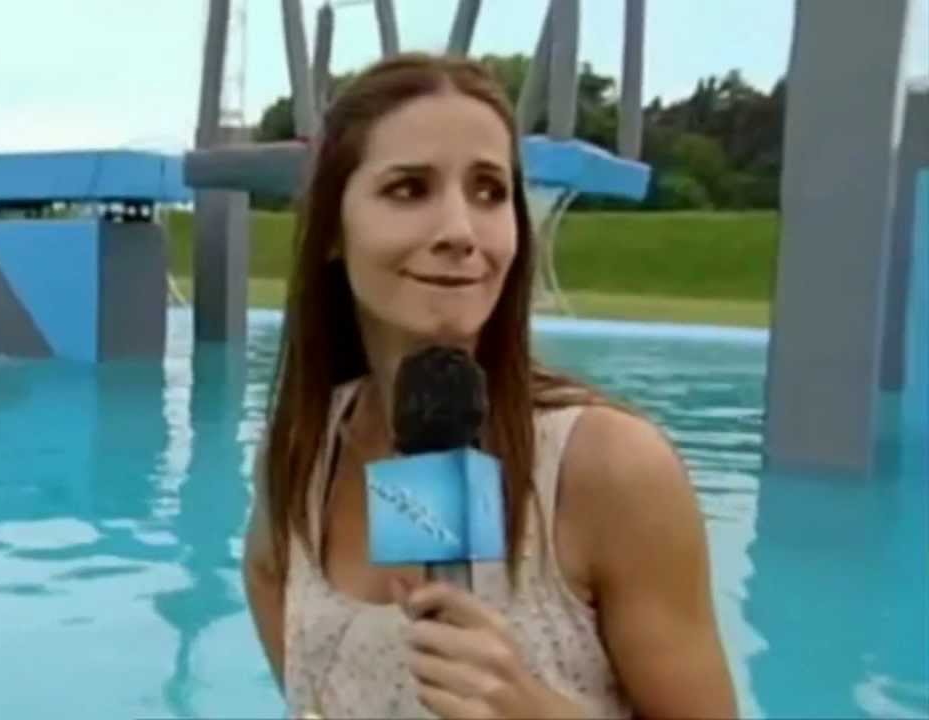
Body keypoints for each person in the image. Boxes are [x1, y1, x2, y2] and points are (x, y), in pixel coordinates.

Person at [241, 53, 738, 719]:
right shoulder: (304, 451)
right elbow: (269, 585)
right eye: (409, 189)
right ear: (333, 227)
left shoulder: (610, 469)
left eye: (489, 192)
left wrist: (532, 710)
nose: (460, 232)